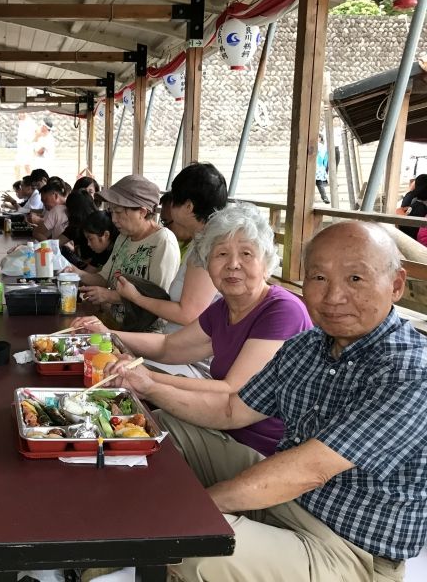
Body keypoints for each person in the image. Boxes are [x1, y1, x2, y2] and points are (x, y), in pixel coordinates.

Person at [109, 221, 427, 581]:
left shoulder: (411, 369)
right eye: (319, 278)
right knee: (161, 428)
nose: (334, 296)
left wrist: (198, 507)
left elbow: (309, 470)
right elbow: (232, 409)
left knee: (192, 537)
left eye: (355, 279)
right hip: (285, 503)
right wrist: (149, 387)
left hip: (349, 551)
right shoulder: (307, 346)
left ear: (396, 285)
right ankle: (124, 533)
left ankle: (149, 544)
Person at [76, 202, 312, 455]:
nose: (233, 264)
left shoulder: (282, 311)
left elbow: (232, 390)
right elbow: (169, 346)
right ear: (207, 263)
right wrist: (108, 334)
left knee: (148, 431)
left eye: (246, 254)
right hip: (223, 430)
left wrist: (148, 380)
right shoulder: (223, 309)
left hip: (265, 450)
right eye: (221, 254)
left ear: (266, 264)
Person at [116, 163, 228, 341]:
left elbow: (188, 314)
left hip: (190, 356)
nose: (169, 207)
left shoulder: (208, 247)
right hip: (177, 344)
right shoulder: (201, 240)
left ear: (189, 207)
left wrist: (136, 297)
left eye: (174, 200)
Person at [66, 174, 180, 331]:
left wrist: (108, 296)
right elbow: (105, 278)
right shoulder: (123, 237)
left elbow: (157, 298)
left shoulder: (162, 241)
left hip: (143, 332)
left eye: (119, 212)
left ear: (142, 212)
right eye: (112, 212)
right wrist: (77, 273)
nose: (113, 219)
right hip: (115, 324)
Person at [58, 189, 99, 270]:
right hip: (91, 264)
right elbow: (55, 243)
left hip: (93, 265)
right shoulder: (100, 219)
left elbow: (55, 244)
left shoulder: (76, 227)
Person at [14, 112, 37, 178]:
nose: (21, 114)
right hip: (21, 148)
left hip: (28, 148)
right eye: (20, 113)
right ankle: (17, 182)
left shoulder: (30, 122)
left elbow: (36, 132)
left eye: (23, 113)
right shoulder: (21, 122)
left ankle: (31, 181)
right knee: (17, 166)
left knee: (27, 166)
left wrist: (32, 144)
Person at [315, 133, 330, 204]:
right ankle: (324, 197)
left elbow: (325, 159)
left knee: (319, 183)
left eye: (318, 137)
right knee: (319, 183)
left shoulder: (322, 147)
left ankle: (325, 197)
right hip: (320, 167)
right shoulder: (323, 147)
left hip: (318, 167)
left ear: (320, 138)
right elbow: (326, 160)